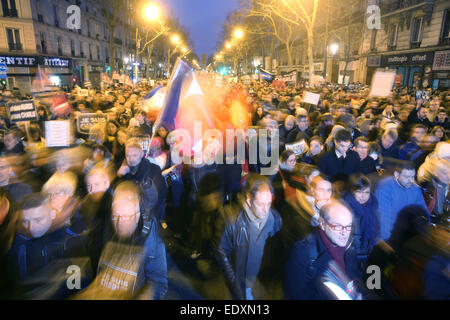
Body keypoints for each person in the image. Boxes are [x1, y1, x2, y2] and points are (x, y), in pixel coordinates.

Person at [79, 181, 168, 300]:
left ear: (137, 216)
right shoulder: (105, 231)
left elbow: (158, 283)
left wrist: (145, 296)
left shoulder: (151, 242)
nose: (119, 223)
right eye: (115, 215)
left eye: (126, 217)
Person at [7, 193, 90, 299]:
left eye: (38, 220)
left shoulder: (71, 241)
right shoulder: (17, 241)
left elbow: (77, 285)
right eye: (25, 221)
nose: (30, 227)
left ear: (52, 214)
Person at [216, 174, 282, 300]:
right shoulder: (232, 221)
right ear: (249, 200)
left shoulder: (275, 219)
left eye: (269, 204)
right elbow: (222, 254)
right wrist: (234, 284)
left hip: (261, 277)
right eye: (261, 204)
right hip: (242, 280)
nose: (266, 210)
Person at [284, 200, 363, 300]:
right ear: (322, 224)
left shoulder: (349, 247)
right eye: (338, 226)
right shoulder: (303, 252)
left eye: (348, 226)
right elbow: (296, 295)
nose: (345, 233)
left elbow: (354, 278)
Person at [374, 161, 429, 241]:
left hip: (408, 233)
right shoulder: (385, 188)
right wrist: (386, 241)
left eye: (413, 177)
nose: (411, 180)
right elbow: (383, 218)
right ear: (397, 175)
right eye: (407, 177)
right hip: (391, 234)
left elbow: (423, 212)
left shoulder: (415, 189)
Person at [118, 138, 167, 221]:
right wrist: (119, 176)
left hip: (148, 216)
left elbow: (158, 196)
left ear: (141, 155)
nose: (131, 159)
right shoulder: (122, 170)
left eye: (134, 155)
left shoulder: (154, 169)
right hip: (127, 214)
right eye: (127, 155)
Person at [343, 175, 380, 264]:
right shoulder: (345, 209)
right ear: (352, 191)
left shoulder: (372, 206)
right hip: (350, 255)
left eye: (367, 192)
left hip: (368, 252)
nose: (363, 196)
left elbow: (376, 231)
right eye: (359, 191)